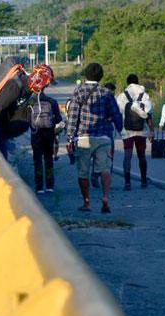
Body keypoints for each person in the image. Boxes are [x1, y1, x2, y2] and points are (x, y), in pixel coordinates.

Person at [65, 63, 123, 214]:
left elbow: (73, 116)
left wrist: (70, 137)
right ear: (101, 76)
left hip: (83, 137)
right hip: (104, 137)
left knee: (83, 172)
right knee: (105, 169)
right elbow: (117, 115)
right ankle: (105, 198)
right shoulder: (106, 93)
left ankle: (86, 202)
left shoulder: (78, 91)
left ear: (85, 74)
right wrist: (119, 128)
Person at [25, 64, 62, 194]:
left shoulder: (30, 102)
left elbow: (27, 120)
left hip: (36, 134)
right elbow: (58, 120)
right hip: (49, 134)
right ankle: (50, 186)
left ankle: (39, 186)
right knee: (48, 159)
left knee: (37, 160)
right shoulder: (52, 102)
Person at [116, 74, 153, 190]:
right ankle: (143, 181)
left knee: (127, 156)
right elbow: (148, 115)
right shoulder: (144, 95)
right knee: (142, 156)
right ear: (138, 82)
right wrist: (151, 130)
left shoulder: (122, 96)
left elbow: (118, 113)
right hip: (141, 130)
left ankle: (127, 183)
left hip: (127, 131)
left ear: (127, 83)